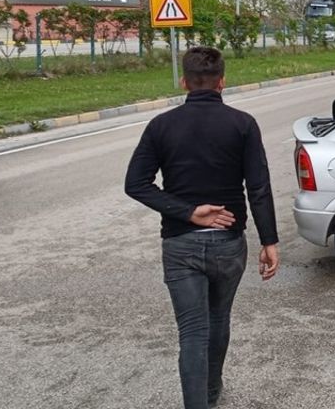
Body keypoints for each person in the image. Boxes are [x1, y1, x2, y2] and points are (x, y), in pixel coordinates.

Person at [124, 47, 280, 409]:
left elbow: (136, 184)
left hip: (180, 244)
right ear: (222, 82)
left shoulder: (161, 126)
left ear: (184, 82)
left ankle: (200, 401)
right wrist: (269, 241)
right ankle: (211, 391)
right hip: (228, 243)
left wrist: (188, 212)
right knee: (218, 319)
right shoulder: (243, 124)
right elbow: (258, 187)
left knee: (192, 332)